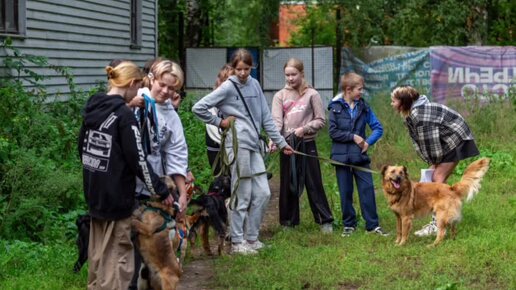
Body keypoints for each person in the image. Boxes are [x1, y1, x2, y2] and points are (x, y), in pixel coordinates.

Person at [78, 61, 173, 290]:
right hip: (117, 199)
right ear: (131, 84)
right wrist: (160, 190)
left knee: (98, 258)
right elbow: (138, 160)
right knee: (118, 261)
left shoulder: (93, 110)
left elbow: (81, 149)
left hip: (95, 196)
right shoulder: (124, 116)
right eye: (138, 86)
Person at [192, 48, 294, 255]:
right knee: (243, 192)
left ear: (252, 67)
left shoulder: (255, 85)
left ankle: (252, 238)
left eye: (247, 69)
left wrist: (281, 143)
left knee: (264, 192)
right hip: (237, 146)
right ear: (232, 68)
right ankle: (238, 242)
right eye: (239, 69)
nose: (242, 73)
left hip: (255, 144)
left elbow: (266, 117)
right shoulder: (228, 87)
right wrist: (220, 122)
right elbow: (199, 108)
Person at [390, 85, 480, 236]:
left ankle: (439, 223)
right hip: (448, 140)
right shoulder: (413, 112)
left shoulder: (420, 115)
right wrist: (432, 162)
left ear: (403, 102)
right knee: (432, 176)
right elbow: (421, 142)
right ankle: (446, 218)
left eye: (394, 101)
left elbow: (432, 143)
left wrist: (435, 161)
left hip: (456, 140)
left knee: (438, 179)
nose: (392, 104)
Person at [270, 58, 334, 233]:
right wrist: (275, 140)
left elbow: (321, 120)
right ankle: (288, 222)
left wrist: (304, 129)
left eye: (293, 74)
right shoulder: (279, 96)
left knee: (313, 182)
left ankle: (324, 221)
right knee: (288, 183)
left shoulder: (312, 94)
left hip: (307, 143)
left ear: (301, 74)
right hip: (287, 144)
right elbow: (276, 122)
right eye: (287, 75)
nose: (290, 78)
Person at [328, 72, 388, 237]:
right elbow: (333, 132)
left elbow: (378, 128)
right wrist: (353, 136)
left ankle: (372, 226)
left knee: (367, 189)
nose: (362, 92)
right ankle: (349, 225)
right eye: (359, 89)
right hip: (341, 158)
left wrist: (368, 142)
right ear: (348, 89)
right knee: (345, 191)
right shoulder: (335, 107)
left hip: (360, 157)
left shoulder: (364, 107)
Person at [134, 59, 189, 211]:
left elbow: (177, 153)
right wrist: (130, 104)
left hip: (156, 184)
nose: (165, 91)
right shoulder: (136, 99)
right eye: (162, 84)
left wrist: (182, 193)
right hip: (128, 181)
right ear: (152, 79)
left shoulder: (172, 116)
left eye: (171, 88)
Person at [206, 64, 234, 175]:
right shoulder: (212, 99)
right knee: (218, 174)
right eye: (224, 80)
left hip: (236, 142)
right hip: (215, 138)